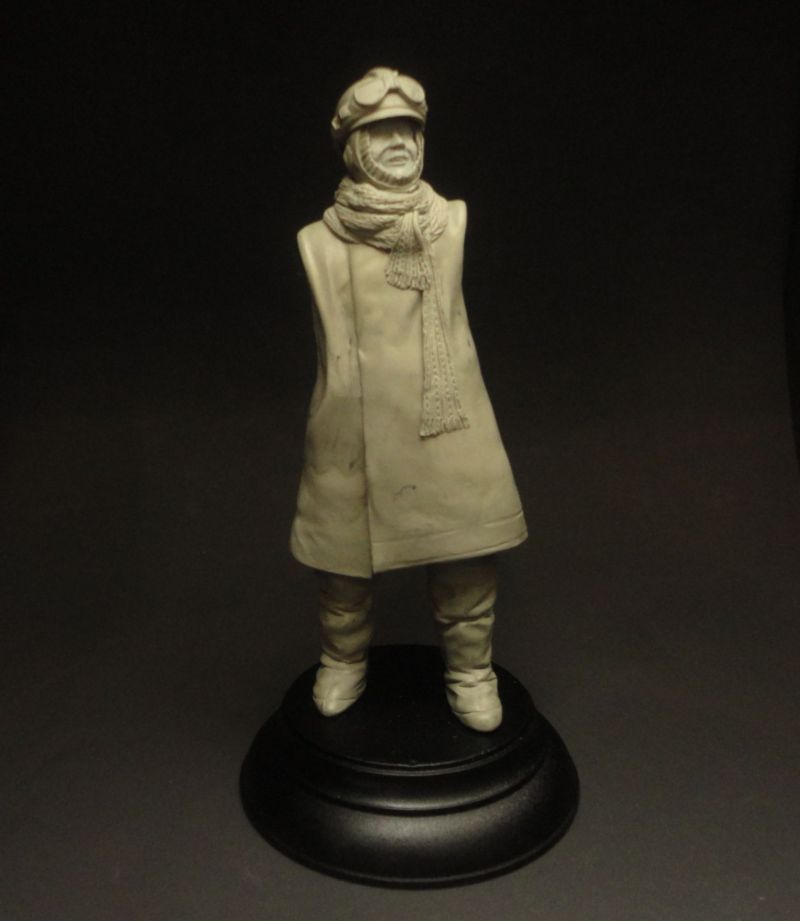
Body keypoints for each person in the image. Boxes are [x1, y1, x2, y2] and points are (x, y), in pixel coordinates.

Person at [290, 68, 527, 731]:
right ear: (352, 148)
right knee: (342, 571)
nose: (398, 142)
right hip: (353, 426)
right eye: (380, 132)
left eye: (408, 130)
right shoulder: (318, 240)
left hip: (446, 418)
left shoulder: (448, 222)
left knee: (467, 562)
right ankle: (342, 659)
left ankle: (471, 670)